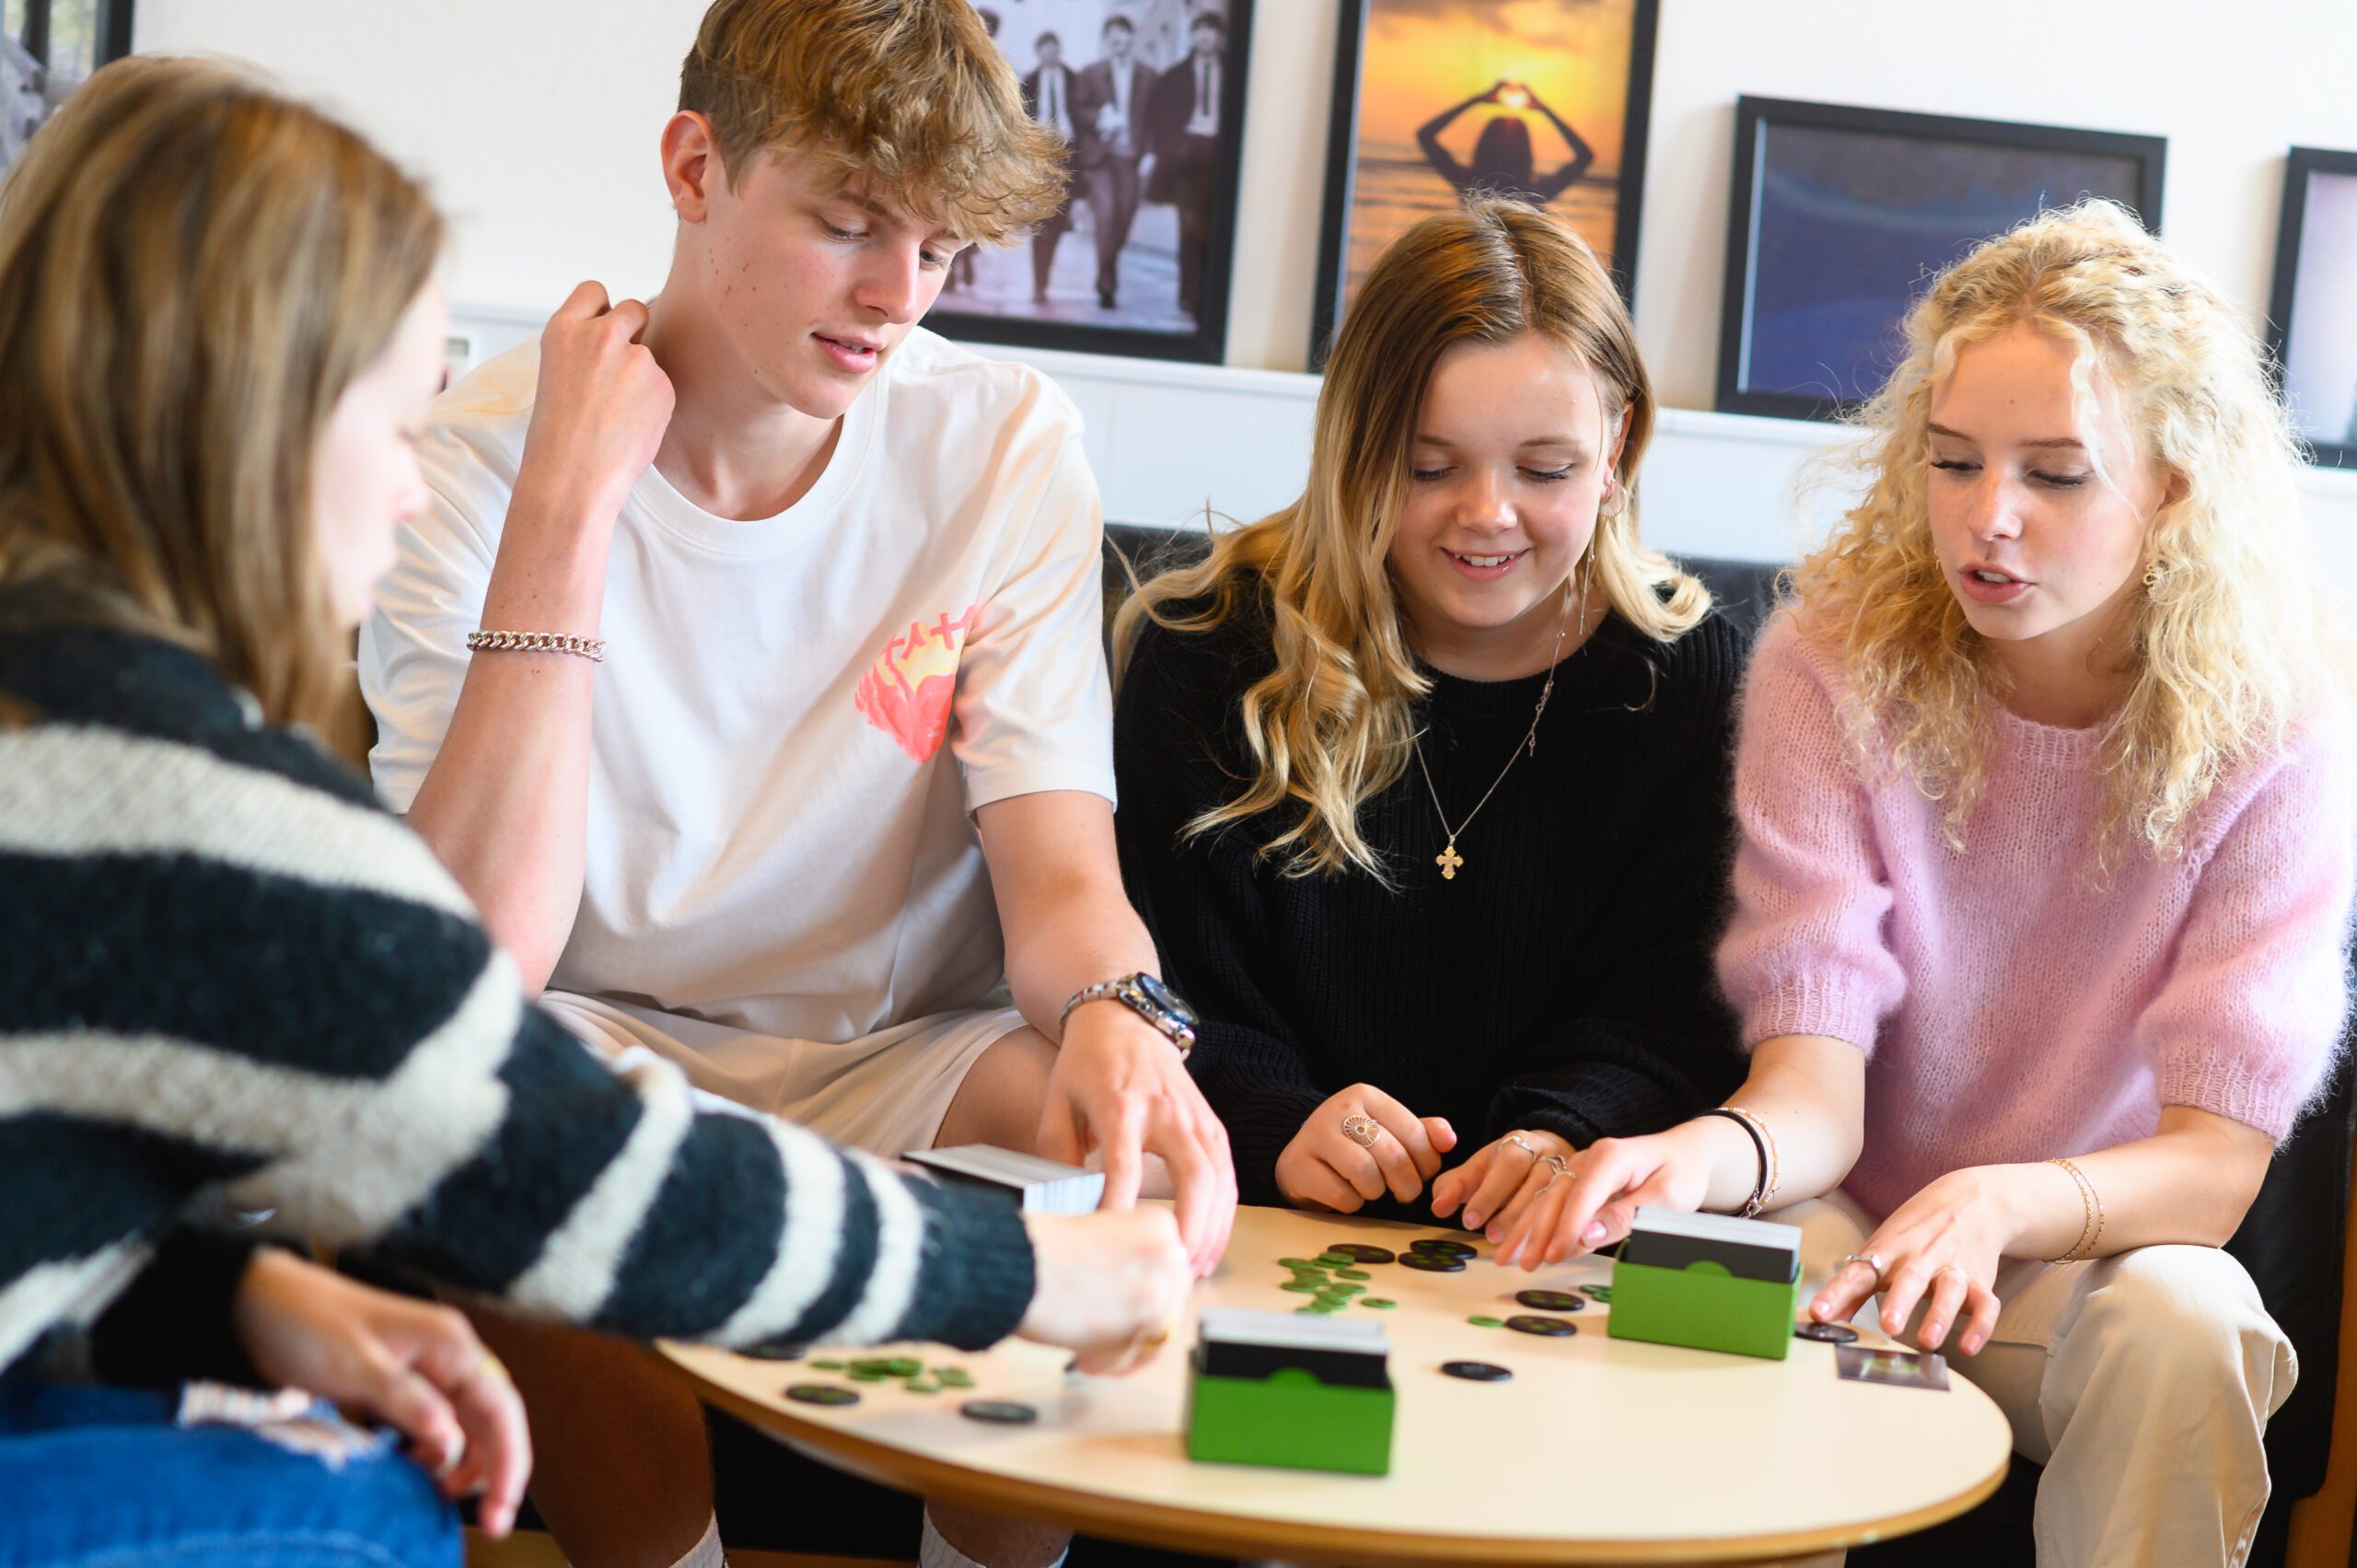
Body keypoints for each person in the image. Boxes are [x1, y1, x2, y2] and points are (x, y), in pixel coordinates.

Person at [0, 54, 1190, 1568]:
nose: (418, 490)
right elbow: (554, 1167)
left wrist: (237, 1296)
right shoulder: (196, 813)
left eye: (939, 249)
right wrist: (1025, 1275)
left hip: (891, 1059)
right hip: (587, 1082)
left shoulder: (70, 728)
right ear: (255, 426)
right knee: (360, 1513)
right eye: (399, 413)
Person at [356, 3, 1234, 1564]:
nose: (898, 296)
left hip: (903, 1046)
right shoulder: (473, 464)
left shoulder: (1003, 444)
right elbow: (481, 971)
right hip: (599, 1035)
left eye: (943, 250)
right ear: (696, 167)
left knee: (1125, 1141)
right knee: (476, 1113)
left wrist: (1124, 1018)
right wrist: (568, 502)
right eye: (847, 226)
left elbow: (1060, 885)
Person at [1510, 203, 2353, 1568]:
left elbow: (2213, 1169)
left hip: (2081, 1259)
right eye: (1954, 462)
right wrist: (1692, 1158)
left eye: (2058, 475)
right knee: (1740, 1256)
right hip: (1850, 1225)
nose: (1990, 520)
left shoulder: (2282, 726)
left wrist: (2001, 1201)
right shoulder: (1831, 664)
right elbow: (1811, 1092)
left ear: (2176, 487)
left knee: (2194, 1316)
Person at [1113, 200, 1746, 1230]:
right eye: (1428, 465)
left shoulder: (1691, 680)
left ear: (1618, 442)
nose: (1486, 513)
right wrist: (1278, 1116)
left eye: (1545, 469)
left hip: (1550, 1231)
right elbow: (1163, 981)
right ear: (1353, 446)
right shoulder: (1207, 650)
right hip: (1246, 1201)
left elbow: (1673, 1014)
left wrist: (1560, 1133)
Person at [1143, 9, 1225, 319]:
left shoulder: (1233, 72)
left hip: (1219, 158)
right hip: (1188, 156)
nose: (1206, 36)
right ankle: (1189, 295)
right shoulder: (1175, 75)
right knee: (1190, 226)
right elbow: (1160, 119)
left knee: (1212, 228)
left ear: (1220, 37)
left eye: (1212, 30)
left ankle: (1208, 294)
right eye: (1200, 30)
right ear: (1192, 37)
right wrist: (1171, 152)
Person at [1071, 14, 1155, 310]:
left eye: (1124, 34)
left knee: (1125, 218)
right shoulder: (1091, 73)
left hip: (1131, 158)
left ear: (1132, 38)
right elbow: (1078, 112)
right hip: (1102, 159)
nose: (1119, 40)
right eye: (1113, 35)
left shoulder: (1148, 75)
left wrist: (1151, 154)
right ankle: (1107, 284)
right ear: (1107, 40)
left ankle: (1106, 268)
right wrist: (1100, 117)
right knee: (1105, 216)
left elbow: (1156, 119)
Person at [1415, 79, 1595, 207]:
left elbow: (1425, 136)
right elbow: (1585, 156)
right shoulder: (1532, 194)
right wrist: (1544, 109)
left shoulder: (1470, 186)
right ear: (1526, 153)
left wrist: (1476, 100)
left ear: (1483, 148)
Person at [1020, 31, 1076, 306]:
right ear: (1039, 52)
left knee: (1060, 221)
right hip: (1040, 158)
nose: (1050, 53)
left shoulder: (1075, 80)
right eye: (1044, 49)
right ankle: (1039, 283)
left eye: (1054, 48)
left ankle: (1046, 278)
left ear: (1059, 50)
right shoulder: (1028, 82)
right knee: (1042, 224)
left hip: (1071, 157)